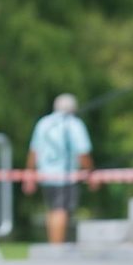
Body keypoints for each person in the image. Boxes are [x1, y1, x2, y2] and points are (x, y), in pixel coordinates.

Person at [22, 93, 97, 244]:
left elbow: (34, 151)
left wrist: (29, 173)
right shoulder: (73, 124)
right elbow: (82, 152)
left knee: (52, 210)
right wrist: (91, 172)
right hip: (64, 173)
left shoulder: (43, 123)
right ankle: (57, 247)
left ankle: (54, 244)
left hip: (46, 173)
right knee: (61, 210)